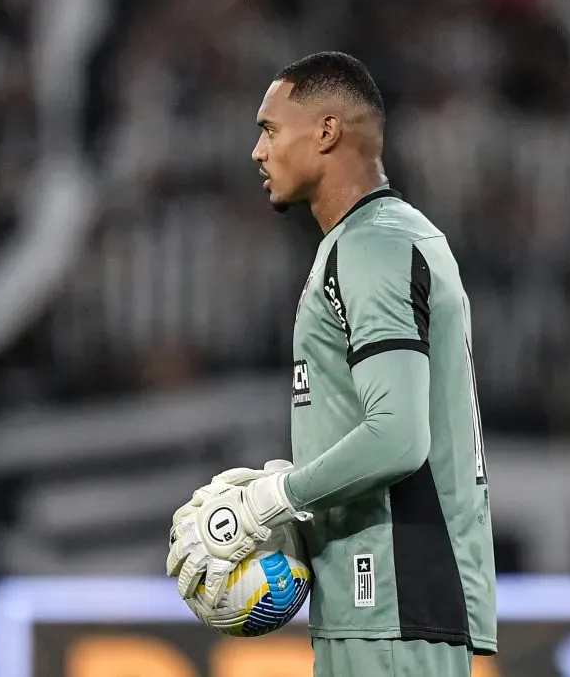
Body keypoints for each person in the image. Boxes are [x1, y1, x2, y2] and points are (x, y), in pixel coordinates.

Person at [166, 51, 497, 677]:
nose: (257, 152)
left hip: (392, 602)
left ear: (325, 132)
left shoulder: (373, 245)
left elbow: (399, 436)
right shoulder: (372, 241)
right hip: (380, 605)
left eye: (269, 129)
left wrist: (270, 500)